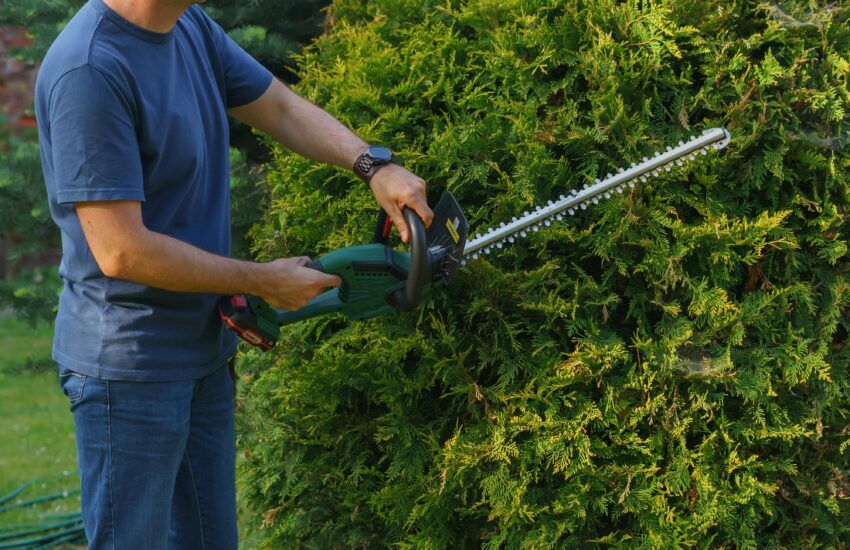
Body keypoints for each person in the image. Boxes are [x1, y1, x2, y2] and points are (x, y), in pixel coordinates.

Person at [34, 0, 434, 547]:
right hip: (128, 370)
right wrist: (261, 279)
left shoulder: (190, 26)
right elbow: (122, 252)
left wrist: (373, 165)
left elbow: (280, 109)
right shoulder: (90, 69)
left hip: (202, 350)